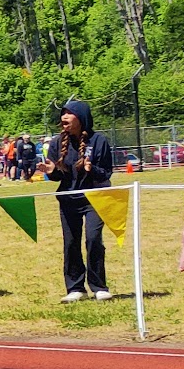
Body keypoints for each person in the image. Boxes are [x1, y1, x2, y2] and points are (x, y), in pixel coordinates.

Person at [43, 98, 116, 302]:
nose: (64, 117)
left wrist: (92, 169)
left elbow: (106, 174)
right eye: (63, 113)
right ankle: (75, 288)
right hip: (68, 199)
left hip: (95, 198)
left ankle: (99, 286)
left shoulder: (99, 141)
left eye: (69, 113)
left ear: (81, 117)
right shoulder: (57, 142)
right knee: (71, 243)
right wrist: (52, 171)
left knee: (93, 240)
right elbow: (59, 176)